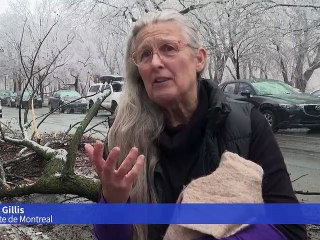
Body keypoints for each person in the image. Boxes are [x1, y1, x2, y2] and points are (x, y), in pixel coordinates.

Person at [84, 9, 307, 240]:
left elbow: (291, 231)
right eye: (145, 55)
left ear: (199, 59)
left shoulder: (246, 125)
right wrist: (113, 202)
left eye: (168, 48)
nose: (155, 62)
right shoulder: (124, 138)